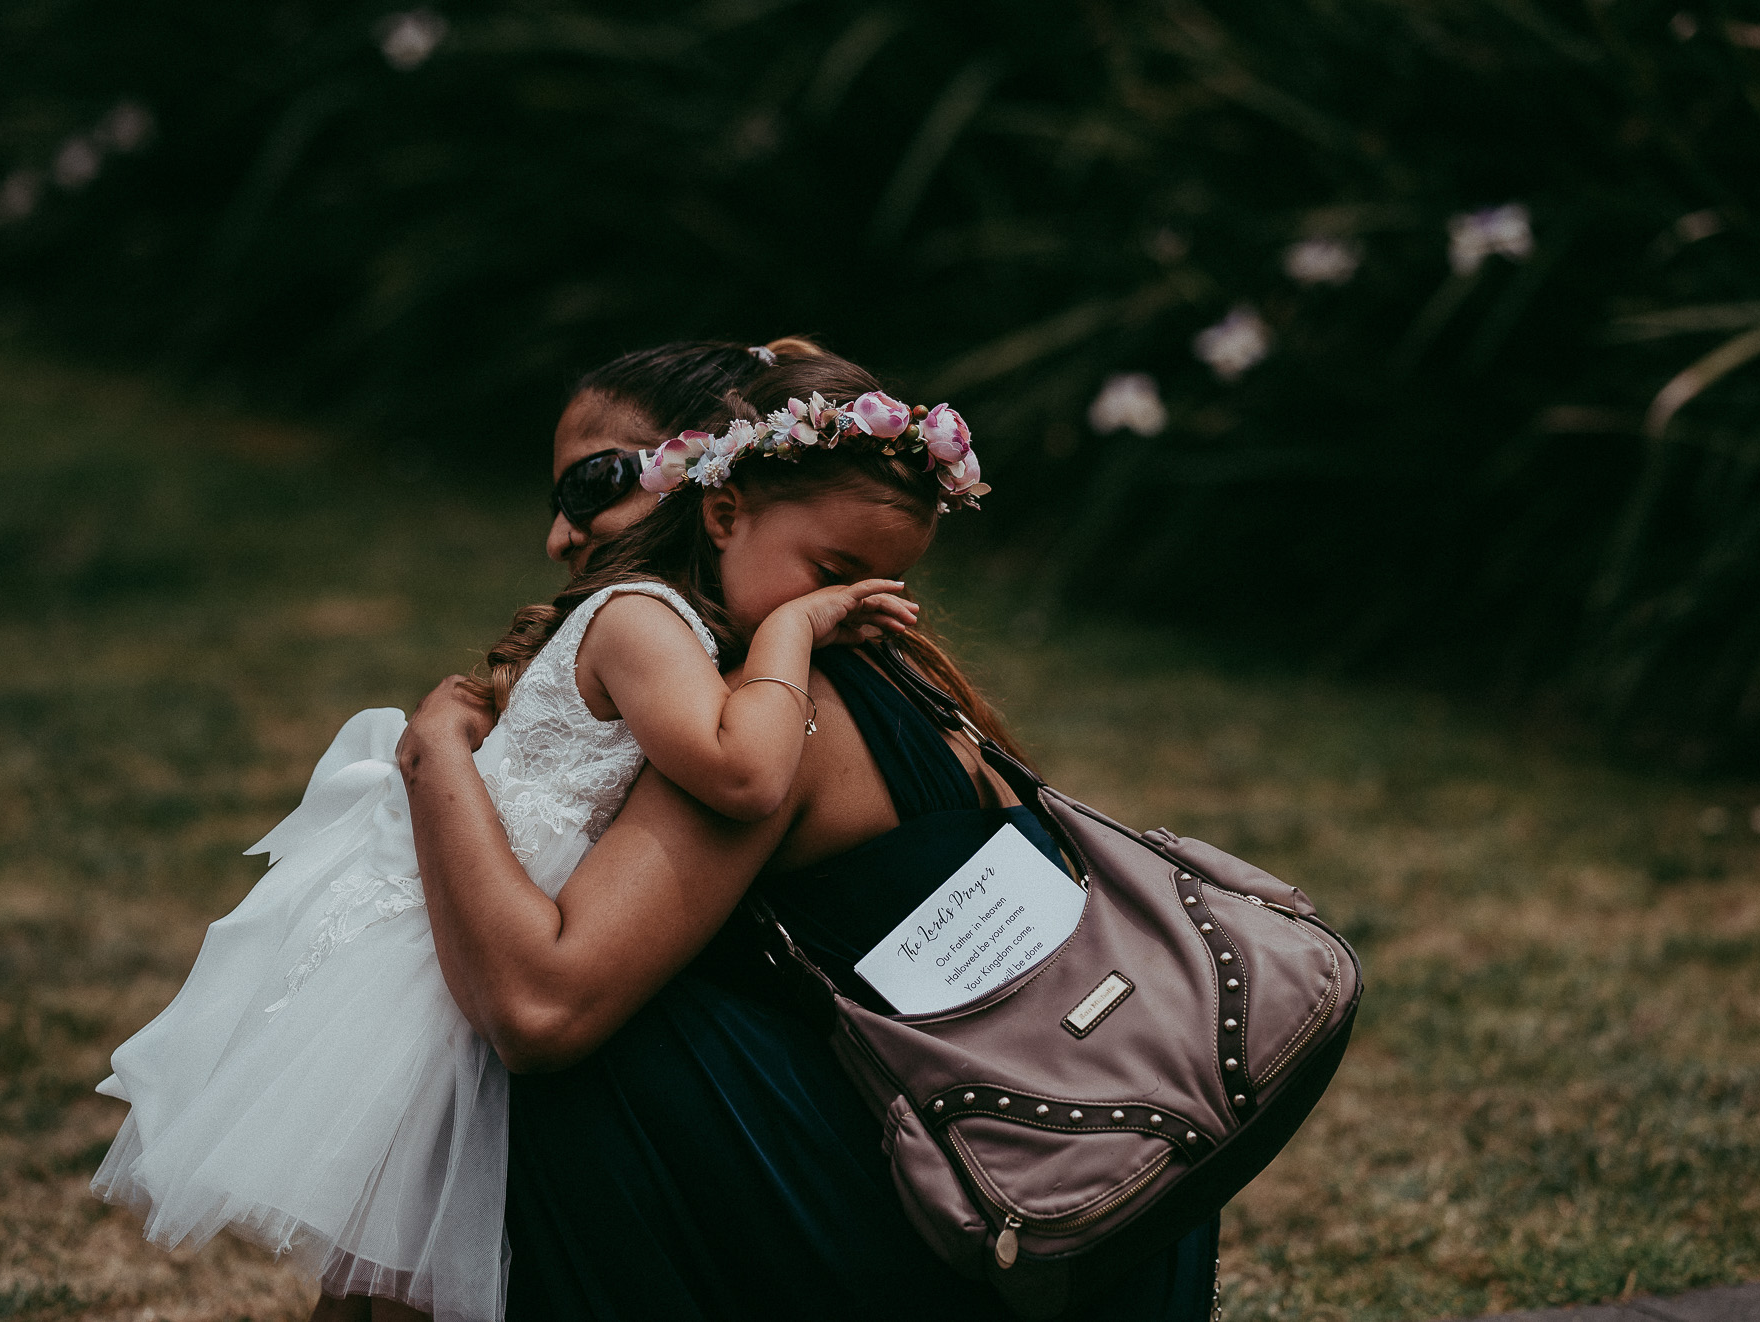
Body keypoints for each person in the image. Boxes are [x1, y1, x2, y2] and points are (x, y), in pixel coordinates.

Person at [89, 337, 929, 1322]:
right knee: (395, 1264)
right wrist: (790, 631)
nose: (559, 534)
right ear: (724, 502)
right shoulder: (655, 626)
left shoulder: (738, 661)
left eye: (596, 482)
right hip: (468, 954)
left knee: (391, 1270)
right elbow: (739, 767)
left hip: (498, 958)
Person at [400, 340, 1221, 1321]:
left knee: (563, 1041)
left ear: (717, 487)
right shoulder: (909, 687)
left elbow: (538, 1010)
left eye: (597, 481)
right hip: (1096, 1236)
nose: (559, 534)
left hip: (988, 1246)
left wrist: (433, 760)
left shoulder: (785, 717)